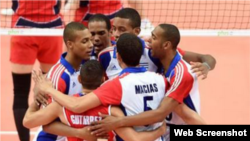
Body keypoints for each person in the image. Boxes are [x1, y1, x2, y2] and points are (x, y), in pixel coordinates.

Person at [33, 33, 204, 141]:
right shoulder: (161, 79)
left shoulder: (115, 85)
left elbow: (76, 105)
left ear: (118, 57)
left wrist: (47, 89)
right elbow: (187, 114)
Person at [88, 24, 205, 141]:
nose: (149, 40)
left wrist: (117, 122)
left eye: (153, 38)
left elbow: (179, 115)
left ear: (166, 45)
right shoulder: (160, 74)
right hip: (163, 127)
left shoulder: (181, 74)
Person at [24, 60, 166, 141]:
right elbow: (134, 139)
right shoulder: (112, 111)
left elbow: (28, 122)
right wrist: (159, 132)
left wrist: (38, 97)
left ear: (79, 80)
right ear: (104, 80)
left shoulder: (59, 107)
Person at [98, 8, 216, 80]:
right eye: (114, 29)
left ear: (137, 31)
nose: (116, 34)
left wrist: (206, 66)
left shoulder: (152, 50)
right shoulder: (104, 56)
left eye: (122, 29)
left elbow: (205, 58)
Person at [9, 1, 64, 141]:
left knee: (20, 92)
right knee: (53, 92)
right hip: (52, 28)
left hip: (23, 29)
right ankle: (50, 137)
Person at [32, 21, 93, 141]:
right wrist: (79, 133)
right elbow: (47, 123)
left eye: (90, 40)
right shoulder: (59, 76)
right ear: (70, 44)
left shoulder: (88, 63)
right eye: (85, 41)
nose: (91, 45)